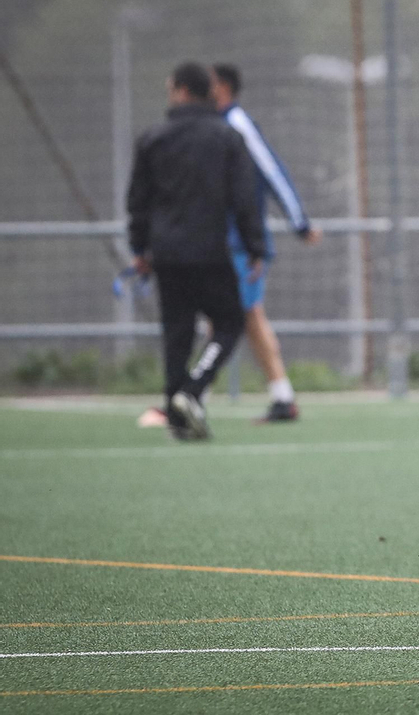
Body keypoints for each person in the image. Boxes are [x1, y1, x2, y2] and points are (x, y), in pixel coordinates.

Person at [126, 61, 266, 440]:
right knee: (230, 322)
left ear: (182, 90)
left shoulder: (153, 138)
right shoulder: (224, 137)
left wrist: (139, 247)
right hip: (209, 250)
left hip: (166, 254)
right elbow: (243, 199)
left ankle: (177, 413)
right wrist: (255, 246)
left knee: (177, 332)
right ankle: (192, 391)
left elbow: (138, 201)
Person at [212, 63, 321, 422]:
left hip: (243, 245)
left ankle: (190, 395)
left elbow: (273, 172)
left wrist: (300, 223)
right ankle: (279, 396)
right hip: (218, 243)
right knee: (236, 319)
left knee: (244, 316)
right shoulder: (212, 127)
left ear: (223, 87)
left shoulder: (238, 124)